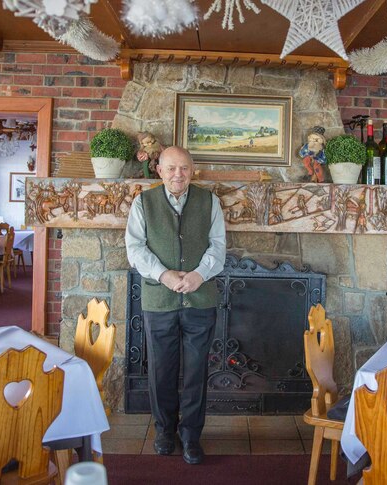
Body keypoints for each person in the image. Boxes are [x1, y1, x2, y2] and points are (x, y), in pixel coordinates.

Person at [125, 146, 226, 465]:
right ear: (159, 170)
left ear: (192, 169)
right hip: (159, 299)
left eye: (183, 168)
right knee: (161, 371)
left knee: (196, 372)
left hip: (200, 299)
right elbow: (135, 248)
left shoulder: (210, 202)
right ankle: (165, 432)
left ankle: (191, 437)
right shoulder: (144, 202)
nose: (177, 174)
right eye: (170, 168)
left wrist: (199, 275)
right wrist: (164, 275)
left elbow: (219, 246)